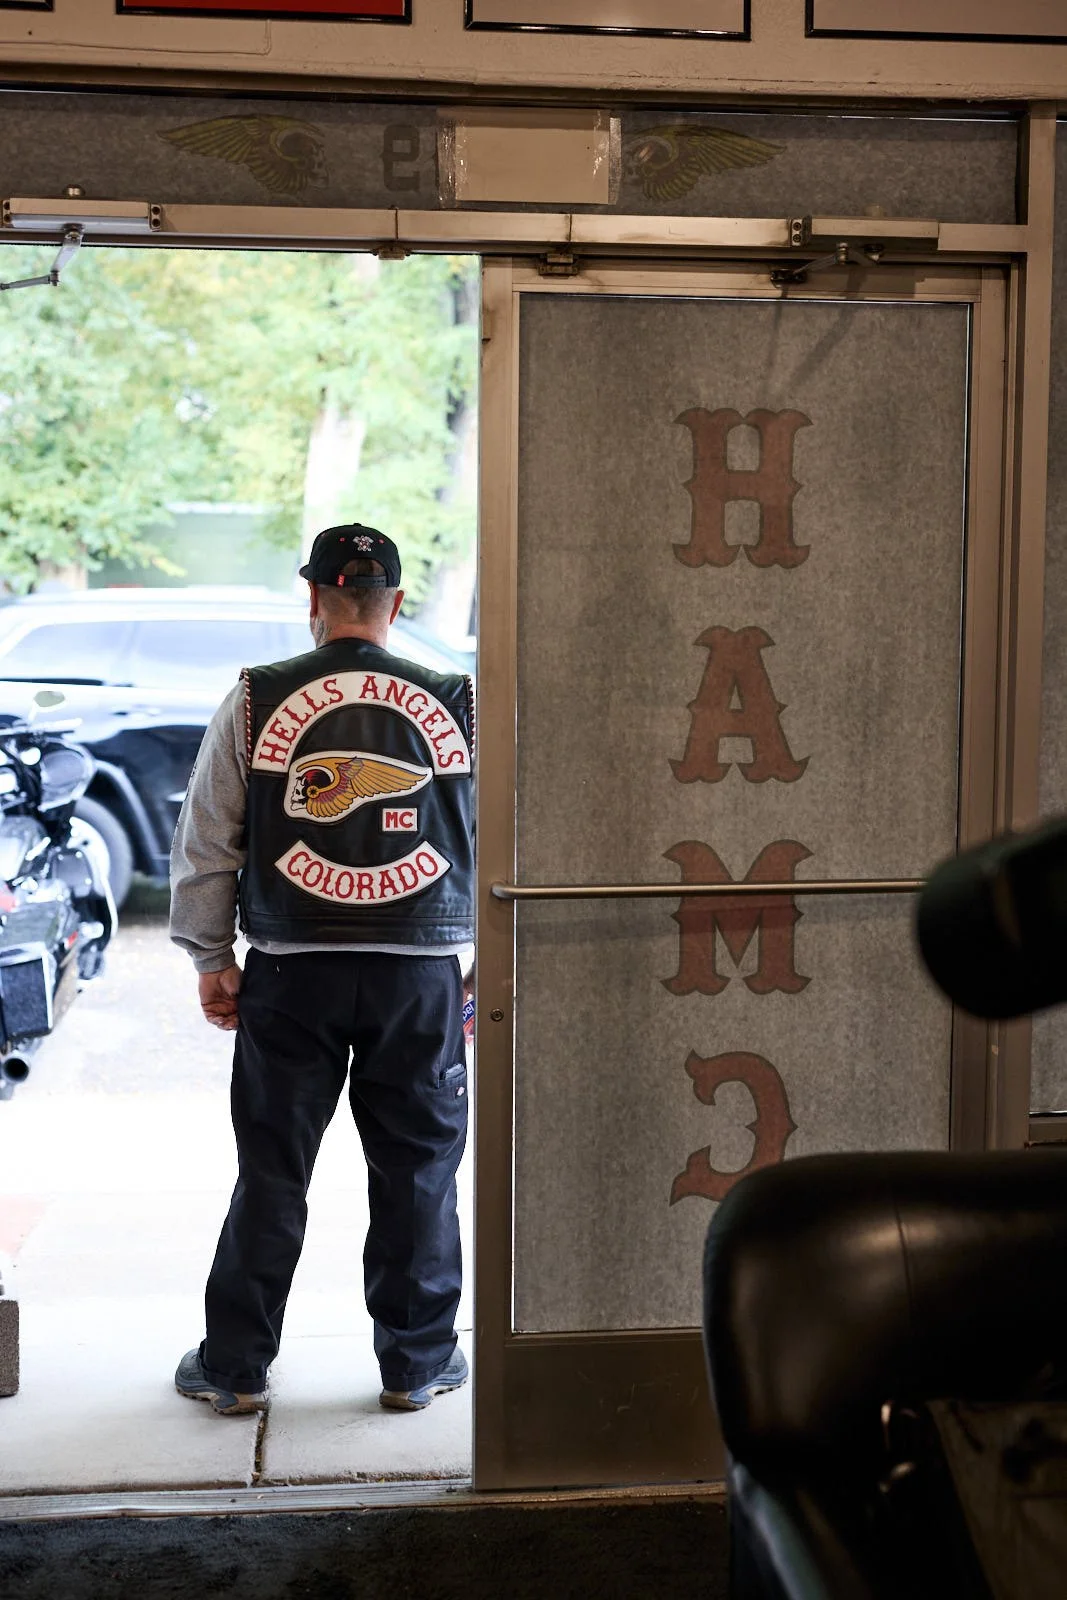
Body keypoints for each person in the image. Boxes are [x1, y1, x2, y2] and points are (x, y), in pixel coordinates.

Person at [169, 524, 475, 1416]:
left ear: (313, 601)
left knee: (271, 1169)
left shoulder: (258, 699)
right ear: (399, 604)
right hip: (418, 975)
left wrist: (211, 957)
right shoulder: (459, 701)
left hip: (290, 971)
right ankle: (414, 1366)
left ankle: (233, 1369)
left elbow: (208, 839)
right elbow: (498, 843)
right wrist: (489, 969)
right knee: (418, 1170)